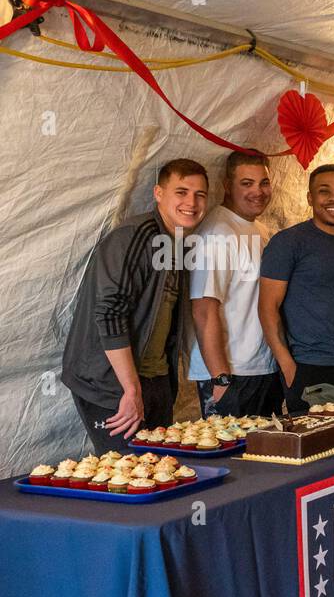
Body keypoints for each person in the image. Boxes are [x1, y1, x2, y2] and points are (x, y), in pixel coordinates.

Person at [62, 159, 209, 452]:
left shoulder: (176, 244)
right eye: (181, 192)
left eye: (200, 194)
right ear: (158, 193)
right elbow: (109, 313)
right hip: (111, 384)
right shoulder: (135, 236)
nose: (191, 202)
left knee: (162, 470)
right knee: (128, 473)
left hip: (154, 381)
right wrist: (130, 390)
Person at [258, 163, 334, 412]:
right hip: (307, 365)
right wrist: (289, 368)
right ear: (310, 197)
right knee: (316, 444)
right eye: (324, 191)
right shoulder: (288, 242)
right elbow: (268, 307)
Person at [189, 150, 282, 418]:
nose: (258, 191)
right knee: (233, 458)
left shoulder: (261, 231)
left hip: (262, 368)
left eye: (264, 183)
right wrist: (220, 380)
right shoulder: (216, 233)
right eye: (247, 183)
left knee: (267, 456)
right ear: (227, 186)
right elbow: (203, 310)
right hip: (232, 374)